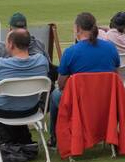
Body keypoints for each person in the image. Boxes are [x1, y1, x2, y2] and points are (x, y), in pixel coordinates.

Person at [49, 12, 120, 140]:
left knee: (55, 94)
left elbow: (61, 84)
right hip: (106, 101)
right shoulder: (110, 48)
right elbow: (116, 76)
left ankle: (54, 138)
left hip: (81, 103)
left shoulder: (71, 52)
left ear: (78, 29)